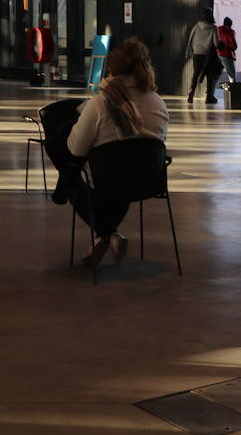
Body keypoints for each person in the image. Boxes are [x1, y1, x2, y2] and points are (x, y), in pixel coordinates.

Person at [65, 37, 170, 265]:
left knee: (70, 178)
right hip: (146, 181)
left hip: (109, 180)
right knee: (126, 171)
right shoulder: (158, 102)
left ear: (111, 71)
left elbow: (75, 148)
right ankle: (107, 236)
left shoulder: (100, 104)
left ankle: (109, 234)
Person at [186, 8, 219, 104]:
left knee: (195, 74)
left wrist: (189, 51)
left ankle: (191, 93)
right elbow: (216, 44)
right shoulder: (213, 28)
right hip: (208, 56)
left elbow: (190, 39)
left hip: (197, 54)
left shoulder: (196, 26)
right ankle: (209, 97)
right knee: (209, 76)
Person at [216, 17, 238, 86]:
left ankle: (210, 91)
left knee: (216, 74)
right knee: (231, 74)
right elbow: (234, 46)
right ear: (230, 24)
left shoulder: (217, 31)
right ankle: (233, 91)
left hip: (217, 54)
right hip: (226, 55)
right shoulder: (229, 32)